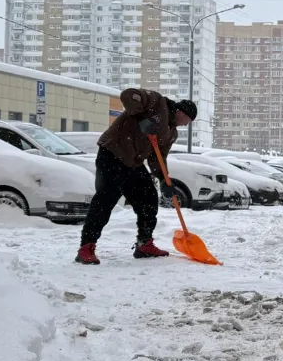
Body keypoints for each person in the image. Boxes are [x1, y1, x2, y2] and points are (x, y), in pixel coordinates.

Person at [74, 89, 196, 265]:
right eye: (187, 121)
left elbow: (158, 158)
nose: (186, 125)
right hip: (112, 153)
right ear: (180, 112)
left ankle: (144, 244)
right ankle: (86, 247)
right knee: (106, 199)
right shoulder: (157, 102)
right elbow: (129, 94)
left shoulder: (171, 133)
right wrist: (141, 117)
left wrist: (164, 179)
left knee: (149, 198)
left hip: (133, 162)